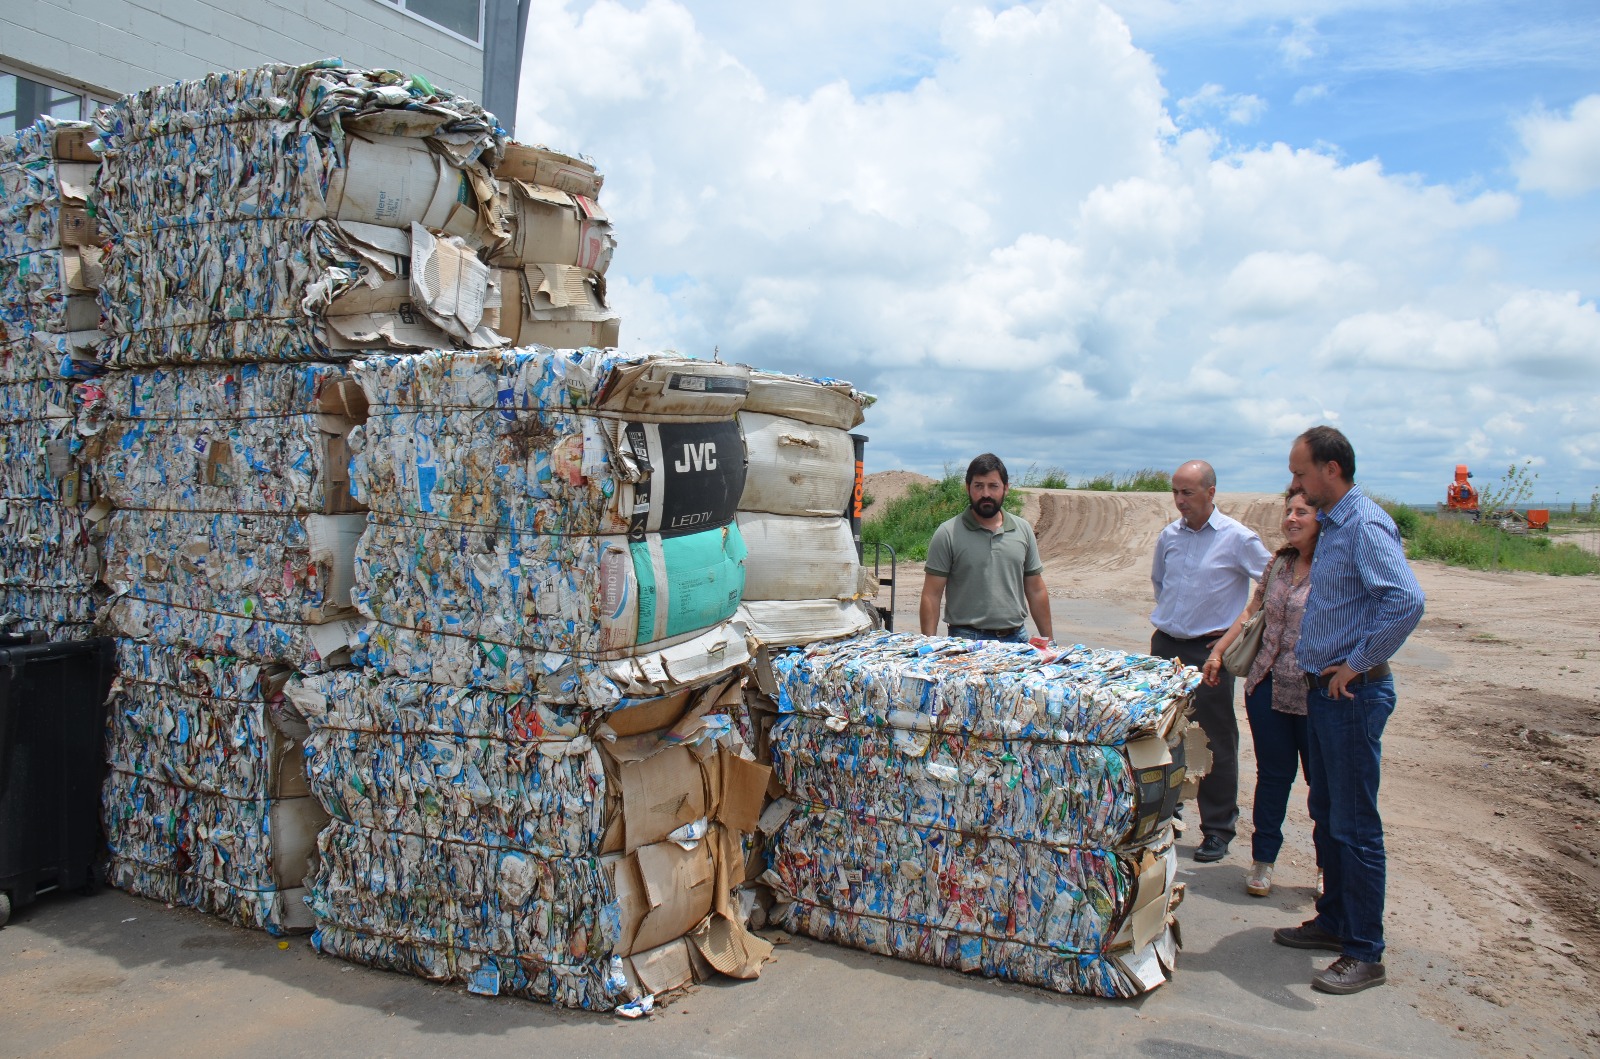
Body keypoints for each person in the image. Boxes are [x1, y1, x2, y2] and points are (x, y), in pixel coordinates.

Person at [1272, 425, 1424, 996]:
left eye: (1300, 472)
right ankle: (1335, 921)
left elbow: (1406, 602)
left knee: (1356, 825)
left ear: (1330, 469)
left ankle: (1365, 950)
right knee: (1329, 814)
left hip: (1351, 696)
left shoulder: (1363, 523)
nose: (1295, 483)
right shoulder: (1333, 524)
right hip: (1324, 695)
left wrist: (1357, 662)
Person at [1150, 460, 1272, 863]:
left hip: (1210, 654)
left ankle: (1218, 829)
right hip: (1166, 647)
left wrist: (1234, 638)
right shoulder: (1170, 535)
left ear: (1211, 492)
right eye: (1176, 492)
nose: (1180, 501)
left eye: (1188, 492)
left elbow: (1272, 583)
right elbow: (1159, 584)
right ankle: (1166, 815)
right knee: (1163, 736)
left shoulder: (1238, 539)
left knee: (1215, 740)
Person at [1202, 487, 1321, 898]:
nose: (1291, 518)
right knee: (1273, 778)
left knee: (1321, 784)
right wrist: (1219, 651)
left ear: (1322, 519)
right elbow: (1253, 612)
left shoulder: (1335, 566)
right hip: (1268, 687)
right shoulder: (1280, 564)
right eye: (1288, 511)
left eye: (1302, 512)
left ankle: (1327, 866)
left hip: (1315, 693)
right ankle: (1263, 862)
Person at [920, 453, 1053, 642]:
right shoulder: (948, 533)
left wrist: (1050, 643)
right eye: (978, 486)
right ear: (968, 488)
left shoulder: (1023, 530)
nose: (986, 494)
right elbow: (931, 595)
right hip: (967, 639)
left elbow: (1036, 589)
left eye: (993, 486)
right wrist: (928, 645)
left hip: (1017, 638)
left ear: (1006, 488)